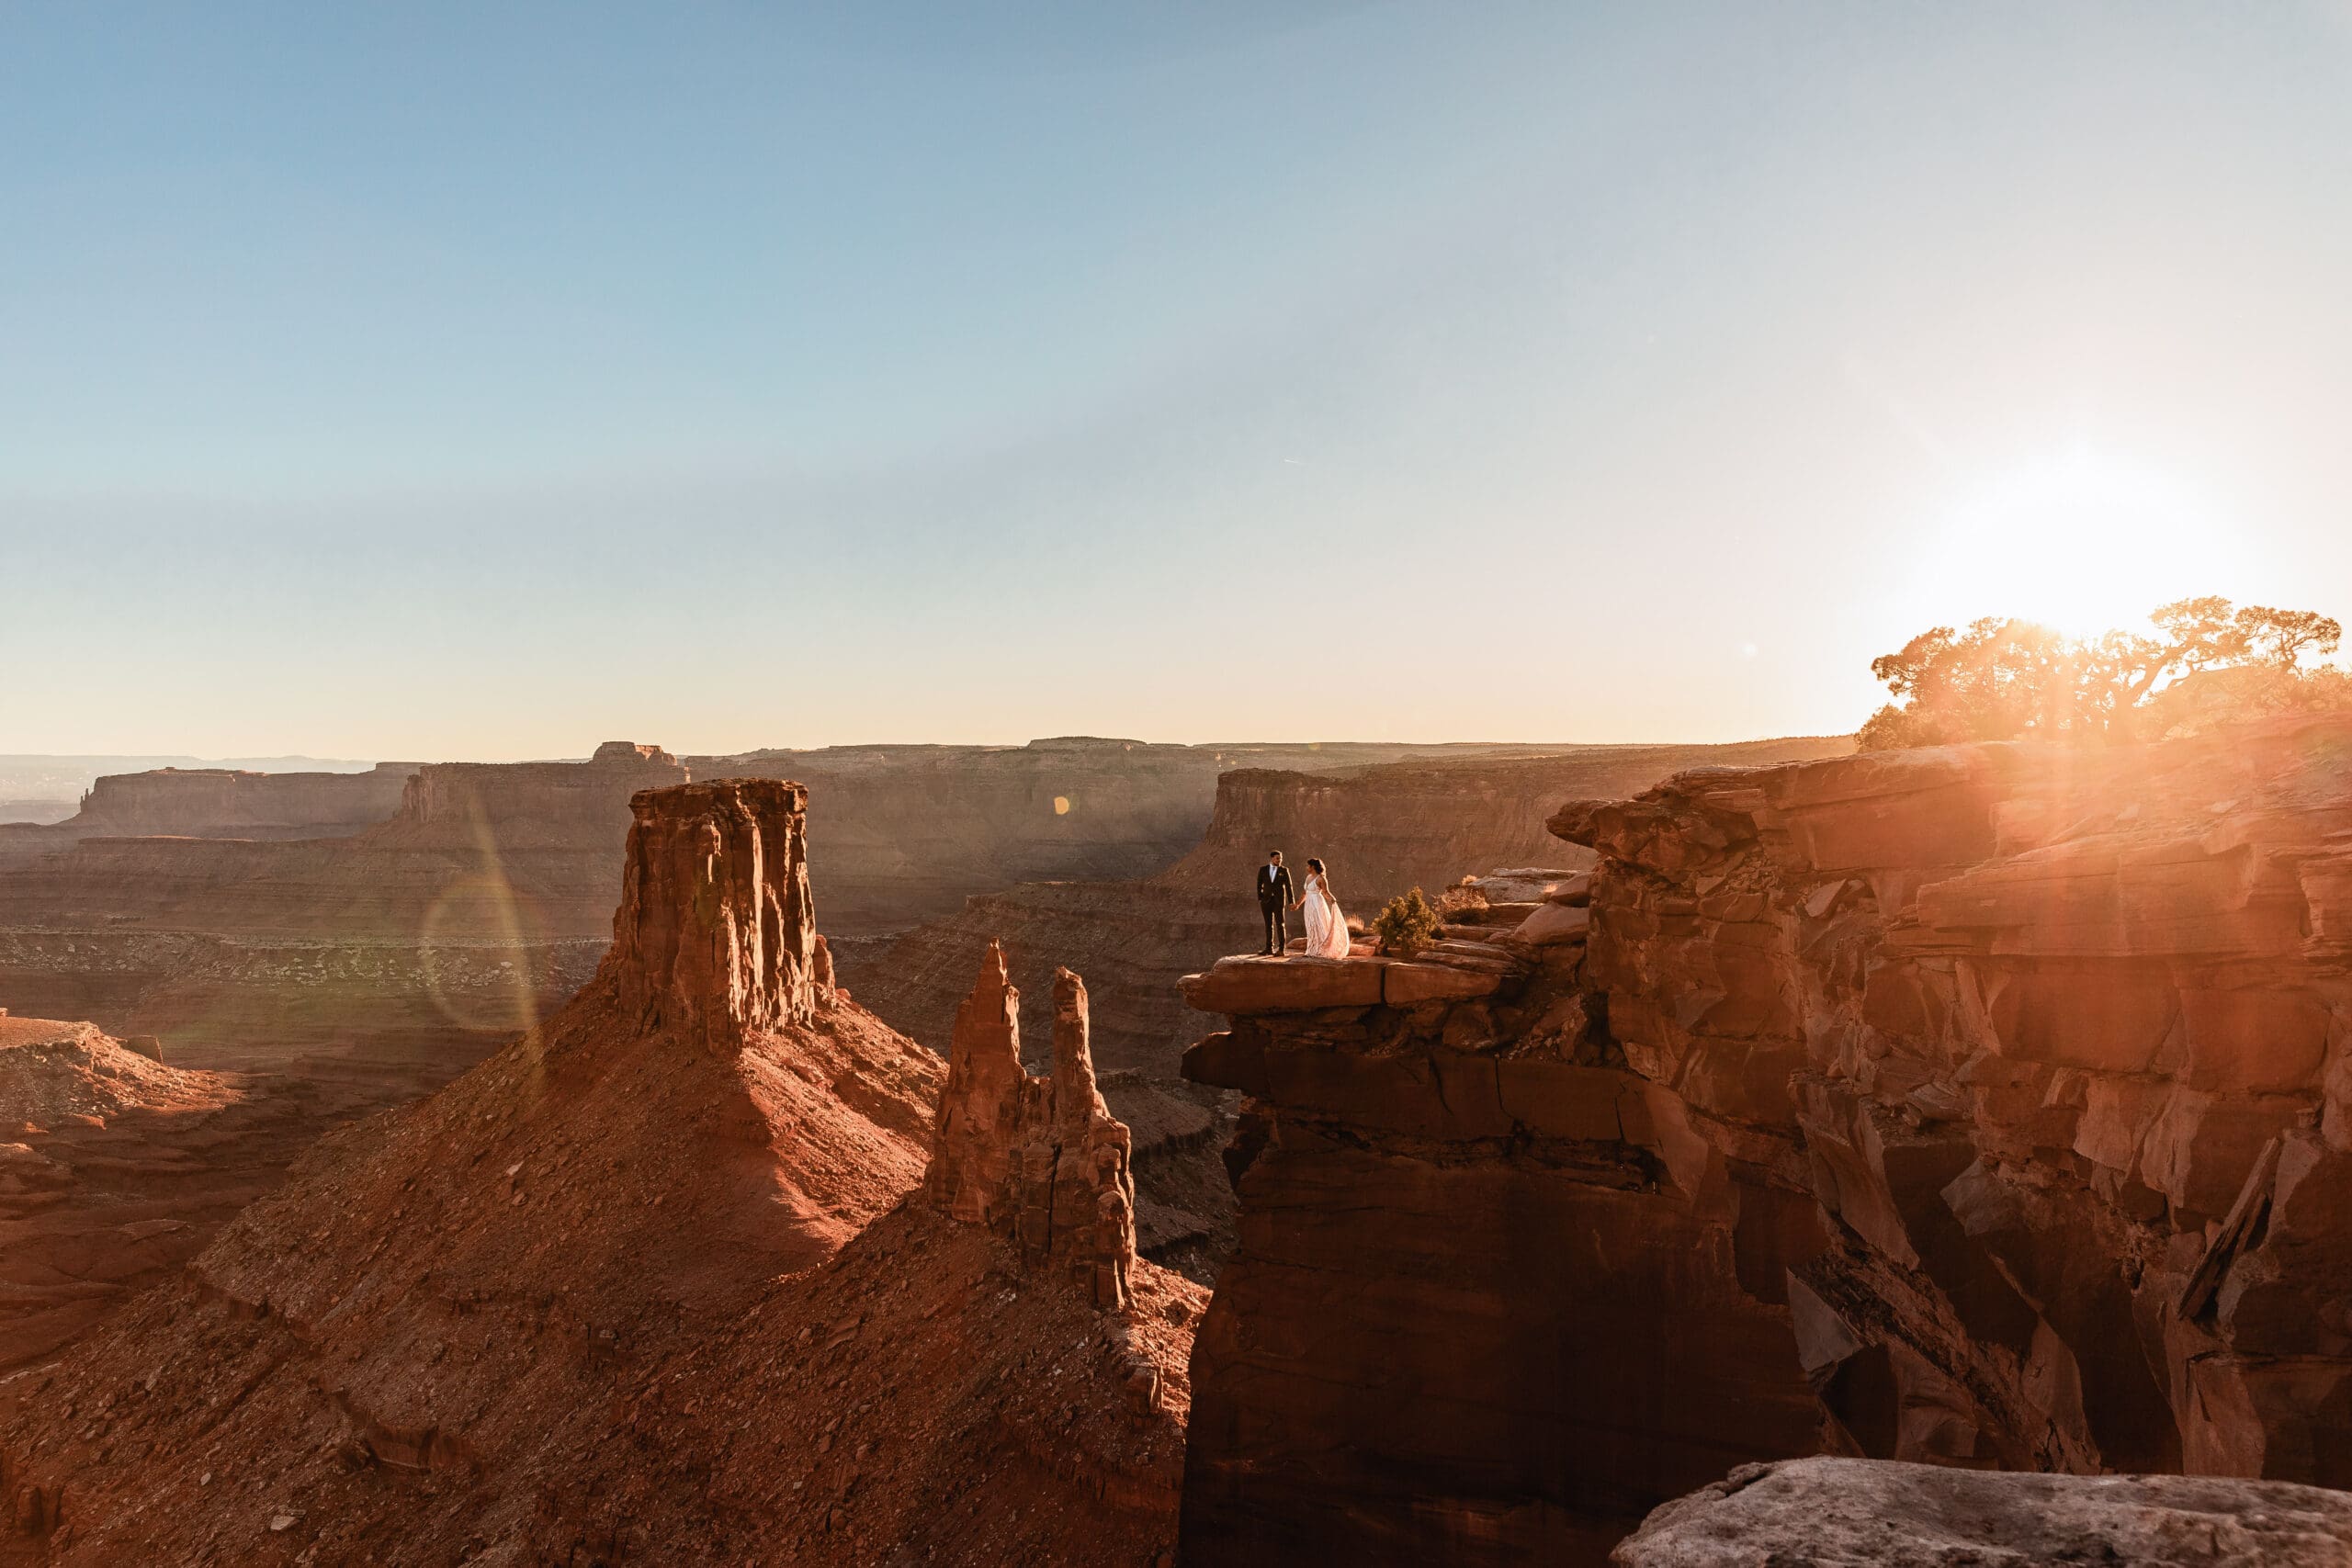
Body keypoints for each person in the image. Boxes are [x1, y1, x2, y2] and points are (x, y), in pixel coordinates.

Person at [1294, 857, 1349, 959]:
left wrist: (1332, 899)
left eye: (1308, 866)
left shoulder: (1321, 878)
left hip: (1317, 904)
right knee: (1311, 926)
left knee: (1319, 924)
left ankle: (1321, 950)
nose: (1306, 867)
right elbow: (1305, 893)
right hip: (1309, 904)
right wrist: (1298, 904)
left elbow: (1325, 892)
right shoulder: (1308, 877)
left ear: (1312, 866)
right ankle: (1311, 950)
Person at [1255, 850, 1295, 955]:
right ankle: (1269, 948)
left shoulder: (1284, 870)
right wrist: (1260, 898)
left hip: (1278, 902)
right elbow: (1259, 884)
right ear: (1272, 858)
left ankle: (1281, 949)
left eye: (1280, 858)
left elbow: (1289, 887)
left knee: (1280, 924)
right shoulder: (1263, 870)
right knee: (1268, 925)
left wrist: (1291, 902)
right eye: (1277, 858)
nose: (1279, 860)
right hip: (1266, 901)